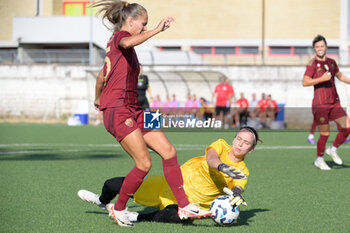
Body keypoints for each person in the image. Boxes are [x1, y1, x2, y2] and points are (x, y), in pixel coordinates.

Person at [90, 0, 210, 227]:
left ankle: (184, 205)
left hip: (136, 108)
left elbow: (101, 77)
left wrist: (97, 98)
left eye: (147, 25)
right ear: (131, 21)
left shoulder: (125, 50)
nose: (145, 28)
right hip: (118, 110)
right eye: (143, 24)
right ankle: (119, 208)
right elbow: (127, 41)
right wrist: (157, 29)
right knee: (144, 164)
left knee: (169, 151)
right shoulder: (119, 38)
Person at [78, 126, 260, 223]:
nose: (240, 144)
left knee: (175, 217)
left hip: (188, 204)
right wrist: (221, 167)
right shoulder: (220, 145)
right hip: (168, 185)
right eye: (238, 139)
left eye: (245, 143)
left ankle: (136, 216)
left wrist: (237, 194)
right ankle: (101, 202)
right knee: (112, 184)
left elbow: (238, 186)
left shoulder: (243, 171)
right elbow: (211, 157)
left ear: (250, 150)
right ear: (234, 138)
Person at [302, 34, 350, 170]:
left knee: (347, 128)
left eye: (322, 46)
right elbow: (305, 82)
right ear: (314, 49)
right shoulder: (312, 64)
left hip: (334, 103)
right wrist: (321, 79)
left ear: (326, 47)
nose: (320, 48)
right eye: (317, 47)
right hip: (320, 104)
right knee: (325, 134)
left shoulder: (332, 62)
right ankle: (319, 159)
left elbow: (340, 76)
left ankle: (333, 149)